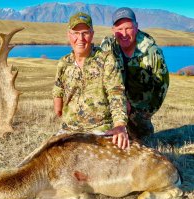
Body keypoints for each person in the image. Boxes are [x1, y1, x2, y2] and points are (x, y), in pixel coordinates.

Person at [52, 12, 129, 149]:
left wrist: (120, 126)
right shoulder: (63, 63)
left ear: (92, 34)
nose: (80, 38)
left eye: (85, 33)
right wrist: (58, 108)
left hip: (101, 129)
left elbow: (116, 93)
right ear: (69, 35)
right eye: (75, 33)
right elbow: (58, 89)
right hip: (69, 130)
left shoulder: (106, 59)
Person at [100, 7, 169, 139]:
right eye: (119, 29)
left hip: (139, 111)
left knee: (144, 146)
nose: (124, 34)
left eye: (128, 28)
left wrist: (146, 113)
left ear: (136, 27)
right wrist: (118, 103)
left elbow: (162, 86)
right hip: (114, 107)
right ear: (113, 30)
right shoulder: (107, 48)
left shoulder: (153, 52)